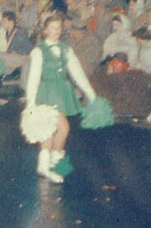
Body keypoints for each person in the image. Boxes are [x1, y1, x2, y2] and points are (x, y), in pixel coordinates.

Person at [22, 13, 99, 183]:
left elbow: (77, 73)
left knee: (51, 130)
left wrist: (91, 93)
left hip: (61, 93)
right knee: (61, 128)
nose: (56, 31)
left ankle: (46, 165)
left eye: (59, 28)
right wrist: (30, 103)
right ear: (45, 30)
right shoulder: (38, 51)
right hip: (46, 93)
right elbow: (33, 78)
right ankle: (51, 164)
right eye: (53, 28)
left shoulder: (66, 49)